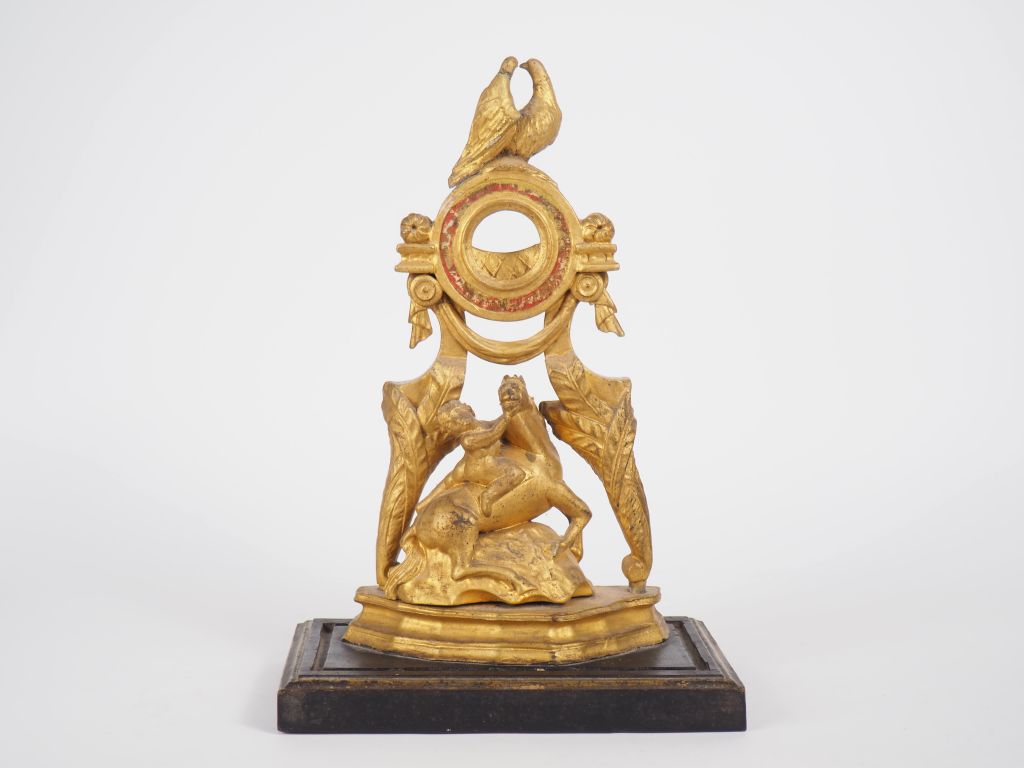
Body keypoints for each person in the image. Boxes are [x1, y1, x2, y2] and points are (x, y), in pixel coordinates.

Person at [432, 399, 526, 518]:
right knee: (516, 473)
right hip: (480, 468)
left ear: (468, 409)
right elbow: (492, 435)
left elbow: (496, 423)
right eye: (451, 422)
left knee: (448, 481)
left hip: (483, 462)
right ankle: (488, 495)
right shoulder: (467, 440)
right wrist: (507, 416)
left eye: (459, 413)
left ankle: (421, 506)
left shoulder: (482, 424)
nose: (459, 419)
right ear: (452, 430)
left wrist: (512, 410)